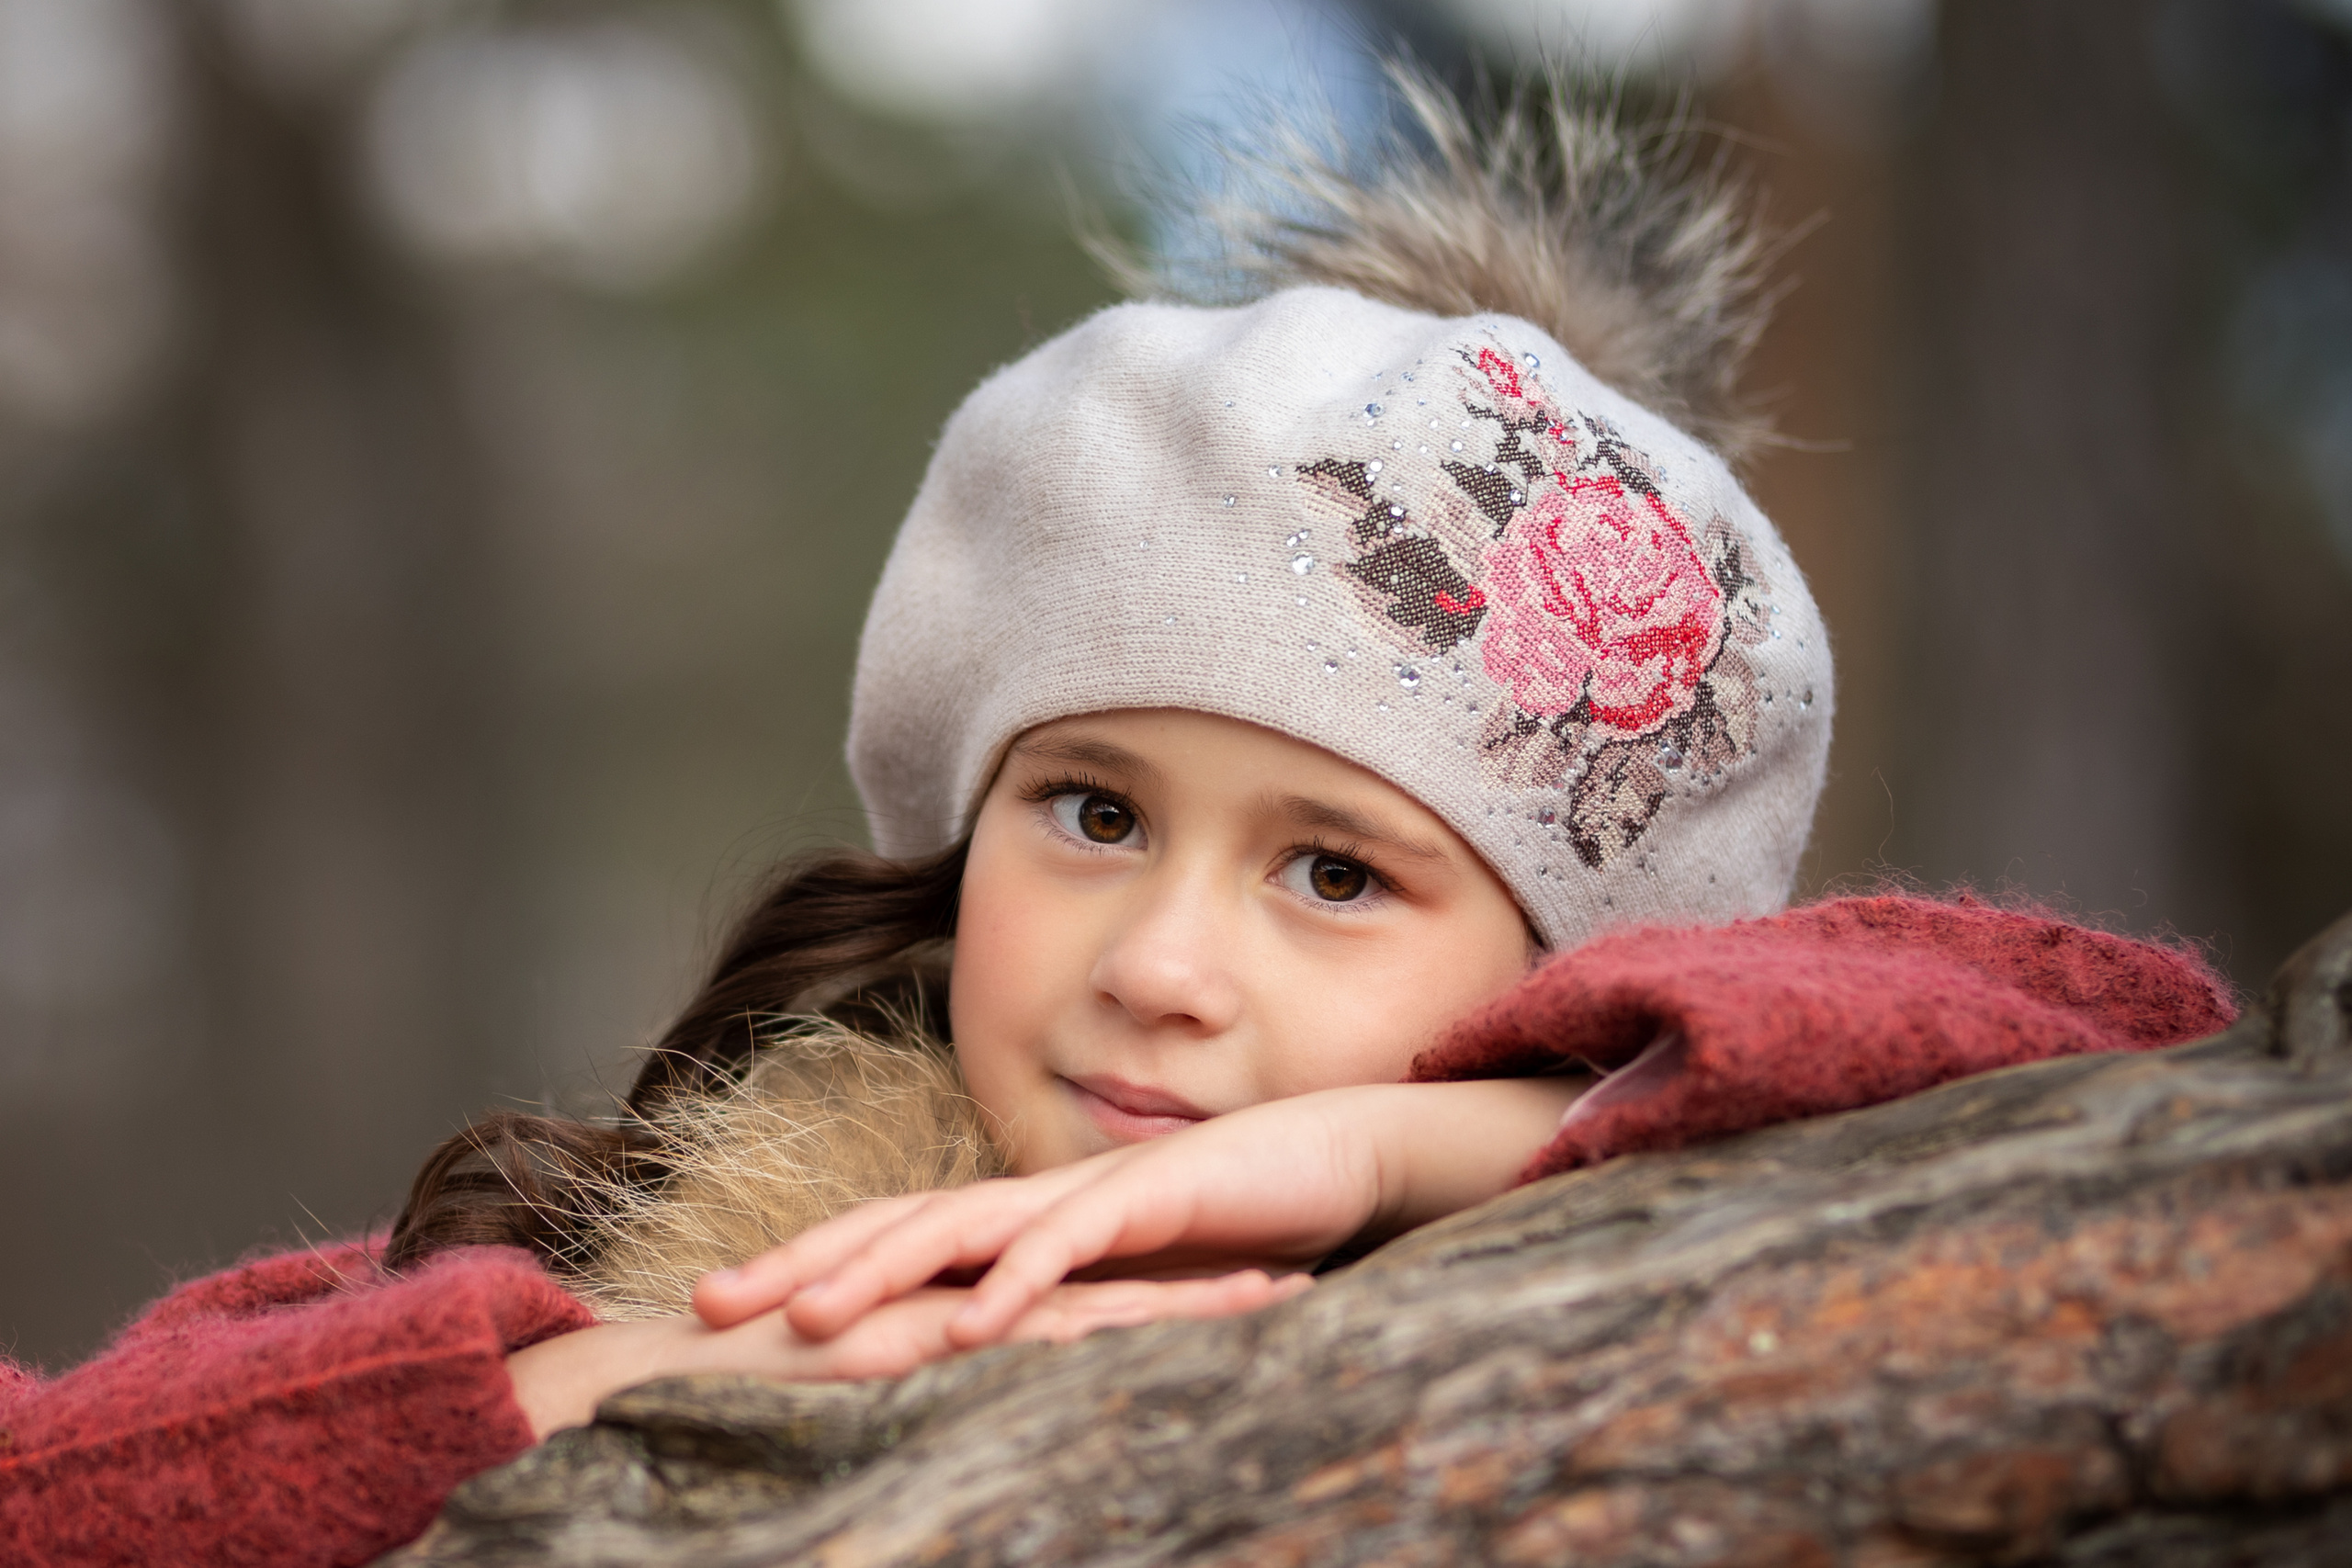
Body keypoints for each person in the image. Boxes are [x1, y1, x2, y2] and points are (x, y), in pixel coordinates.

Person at [0, 70, 2234, 1568]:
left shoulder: (1700, 1256)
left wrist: (1409, 1147)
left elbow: (2134, 1035)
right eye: (1087, 806)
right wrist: (624, 1367)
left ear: (1578, 965)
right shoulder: (678, 1241)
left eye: (1335, 869)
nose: (1160, 957)